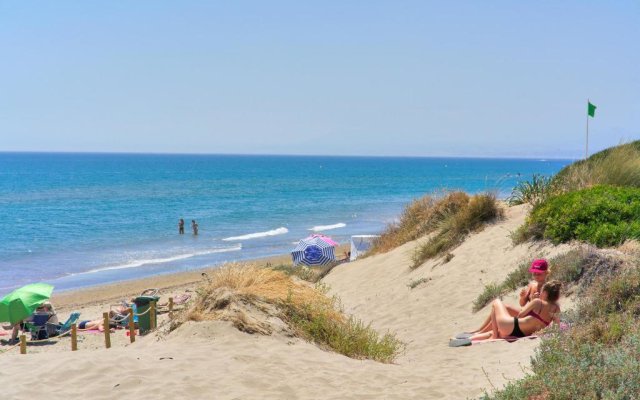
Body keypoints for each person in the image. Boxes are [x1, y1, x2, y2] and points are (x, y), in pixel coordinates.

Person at [451, 280, 562, 347]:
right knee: (502, 322)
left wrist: (532, 300)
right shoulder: (556, 309)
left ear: (545, 293)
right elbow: (557, 327)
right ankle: (471, 339)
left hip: (512, 326)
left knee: (496, 302)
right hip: (522, 333)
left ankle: (493, 336)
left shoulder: (538, 302)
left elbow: (520, 315)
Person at [463, 259, 550, 336]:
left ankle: (484, 332)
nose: (536, 276)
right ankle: (480, 329)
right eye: (534, 273)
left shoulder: (548, 288)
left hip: (532, 319)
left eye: (539, 273)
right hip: (525, 314)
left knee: (498, 307)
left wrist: (535, 302)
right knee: (504, 307)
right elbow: (522, 304)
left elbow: (545, 311)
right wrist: (523, 297)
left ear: (546, 272)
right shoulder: (532, 285)